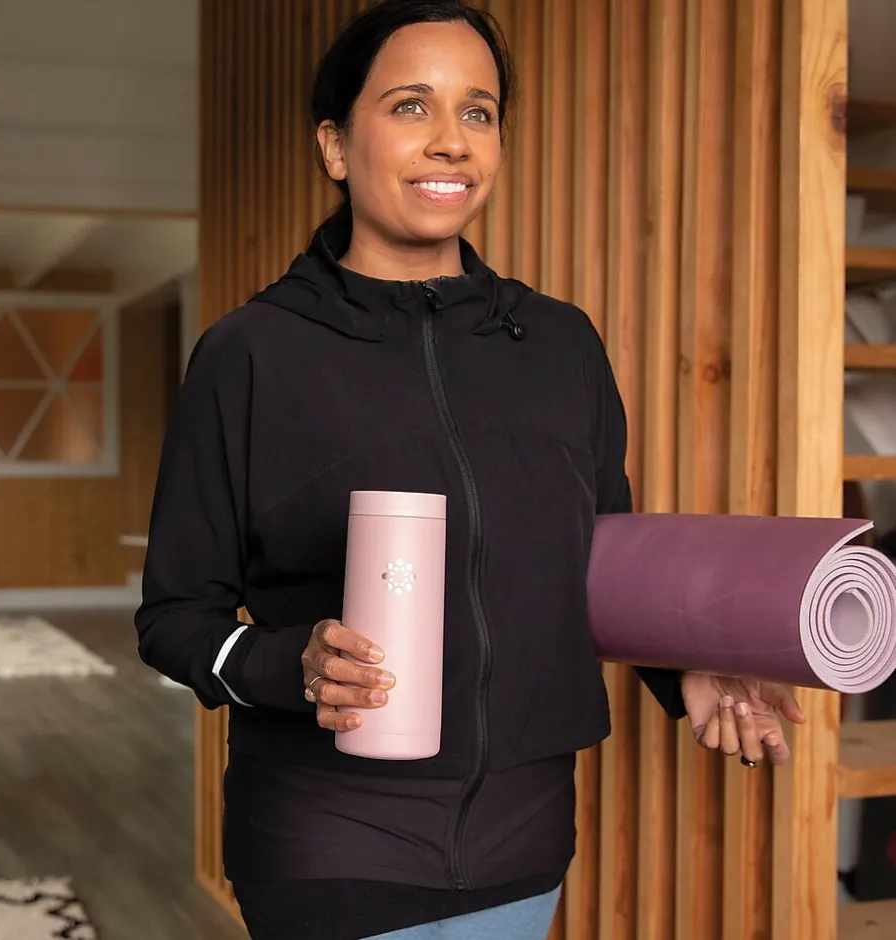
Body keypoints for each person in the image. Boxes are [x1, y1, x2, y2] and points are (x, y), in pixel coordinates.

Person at [134, 2, 807, 938]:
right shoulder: (251, 354)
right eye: (411, 106)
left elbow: (604, 562)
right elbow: (174, 617)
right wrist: (291, 665)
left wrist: (686, 671)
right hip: (330, 847)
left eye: (478, 112)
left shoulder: (561, 345)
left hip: (525, 844)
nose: (451, 139)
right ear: (335, 145)